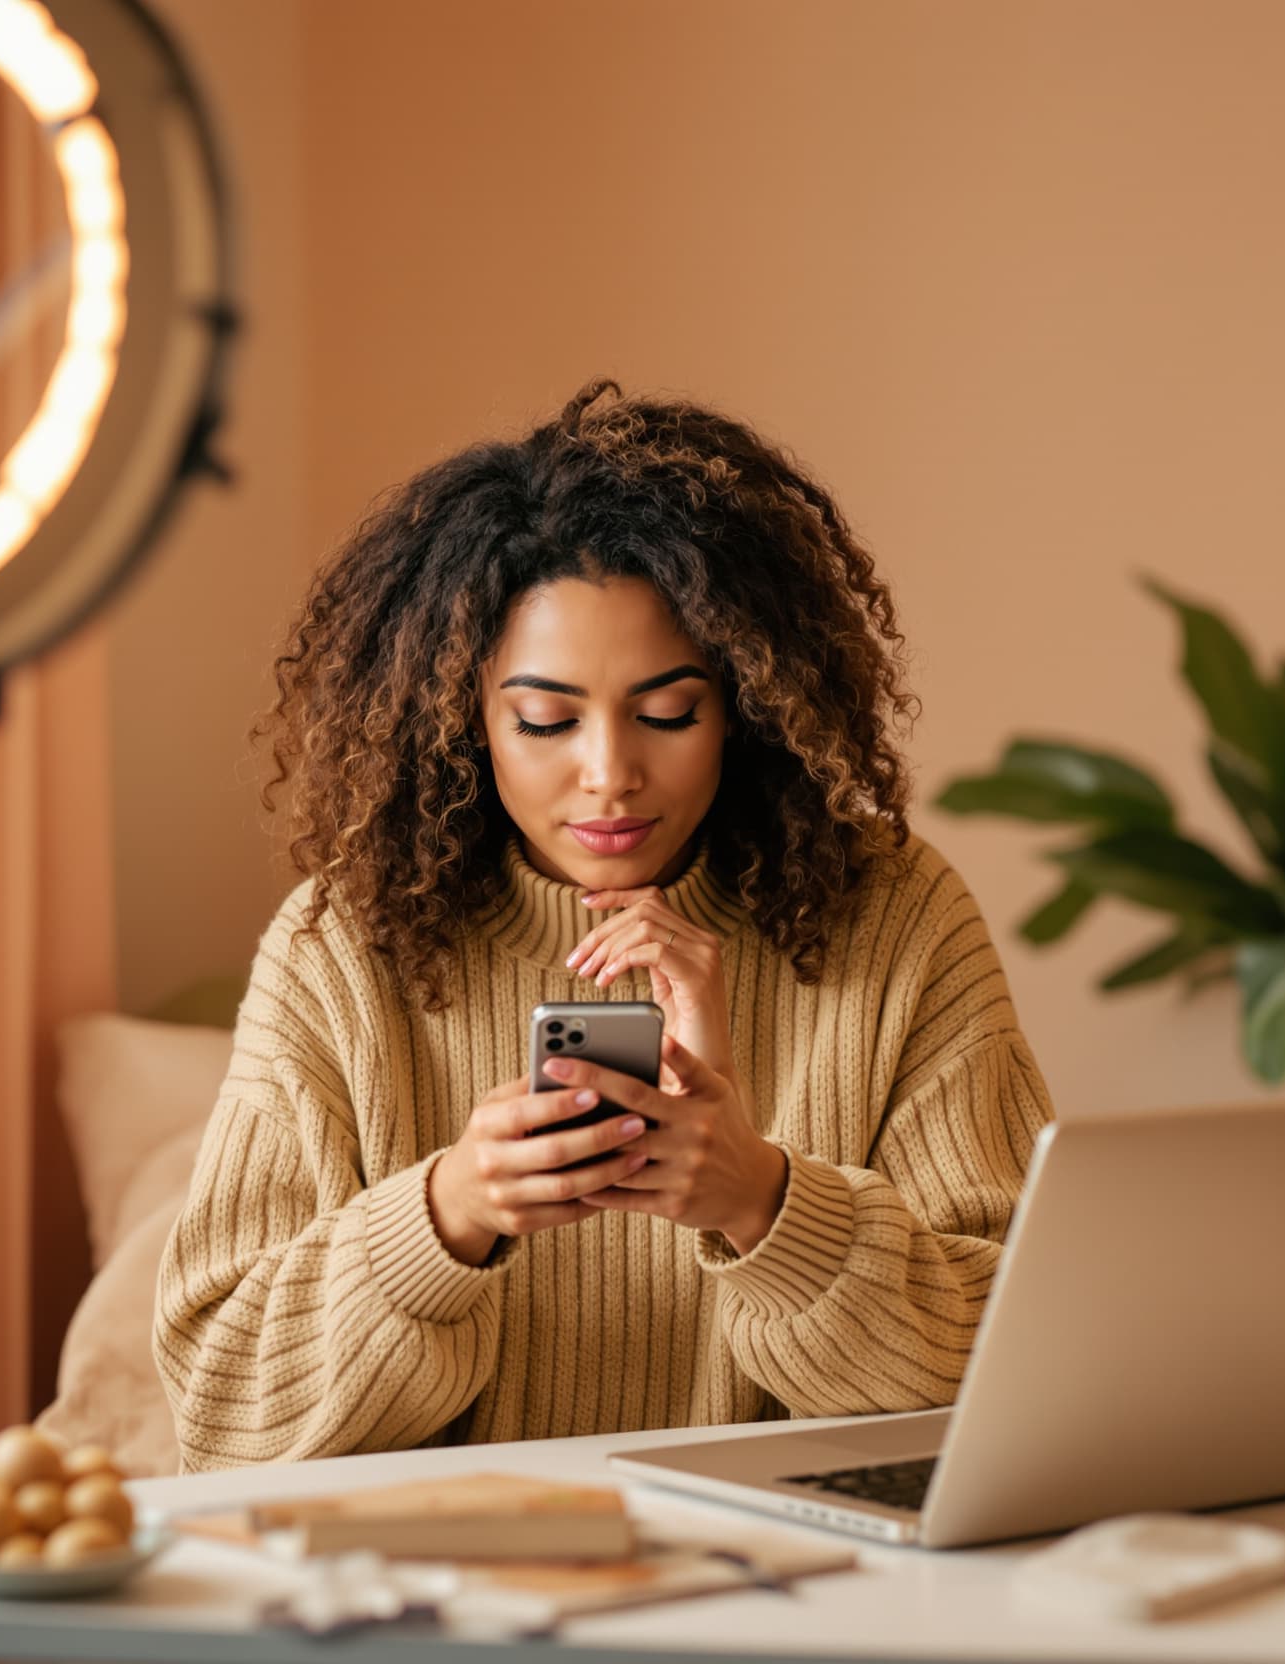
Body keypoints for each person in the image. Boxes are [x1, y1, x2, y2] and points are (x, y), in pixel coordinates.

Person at [154, 380, 1055, 1471]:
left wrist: (764, 1201)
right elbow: (219, 1403)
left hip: (798, 1595)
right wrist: (447, 1211)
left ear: (747, 702)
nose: (612, 775)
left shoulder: (896, 919)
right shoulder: (341, 947)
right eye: (544, 719)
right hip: (447, 1601)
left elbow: (1027, 1355)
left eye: (670, 711)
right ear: (465, 716)